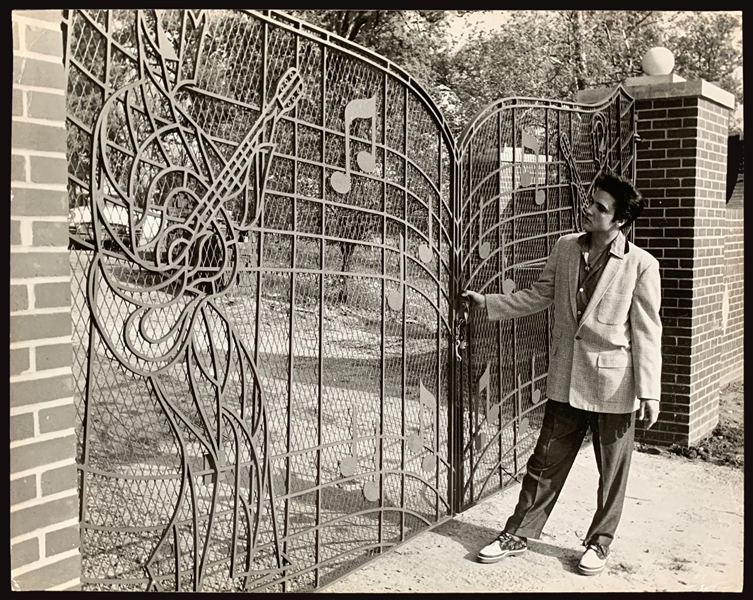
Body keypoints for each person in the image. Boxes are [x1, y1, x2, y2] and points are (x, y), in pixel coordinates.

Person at [463, 172, 662, 576]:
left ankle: (599, 544)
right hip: (566, 378)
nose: (589, 208)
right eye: (591, 200)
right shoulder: (565, 247)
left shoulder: (641, 265)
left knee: (612, 473)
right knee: (544, 463)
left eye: (601, 208)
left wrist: (649, 391)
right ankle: (517, 533)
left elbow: (646, 331)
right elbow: (538, 295)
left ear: (619, 221)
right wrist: (487, 303)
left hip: (615, 384)